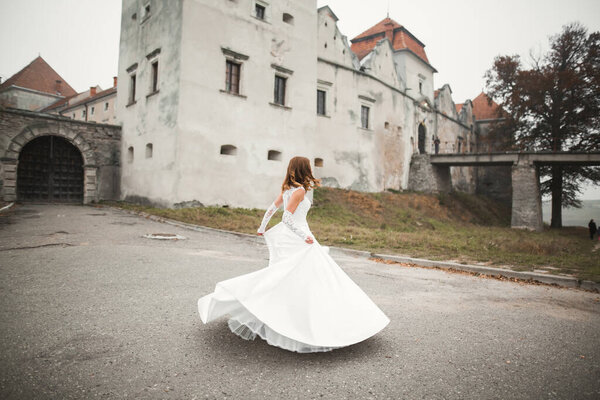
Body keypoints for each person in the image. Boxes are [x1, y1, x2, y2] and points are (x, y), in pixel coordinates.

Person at [198, 156, 389, 353]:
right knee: (307, 277)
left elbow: (272, 208)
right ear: (304, 169)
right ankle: (309, 322)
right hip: (299, 238)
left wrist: (262, 227)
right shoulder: (299, 191)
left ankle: (289, 315)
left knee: (290, 277)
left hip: (294, 238)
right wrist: (303, 236)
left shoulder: (288, 190)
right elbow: (287, 217)